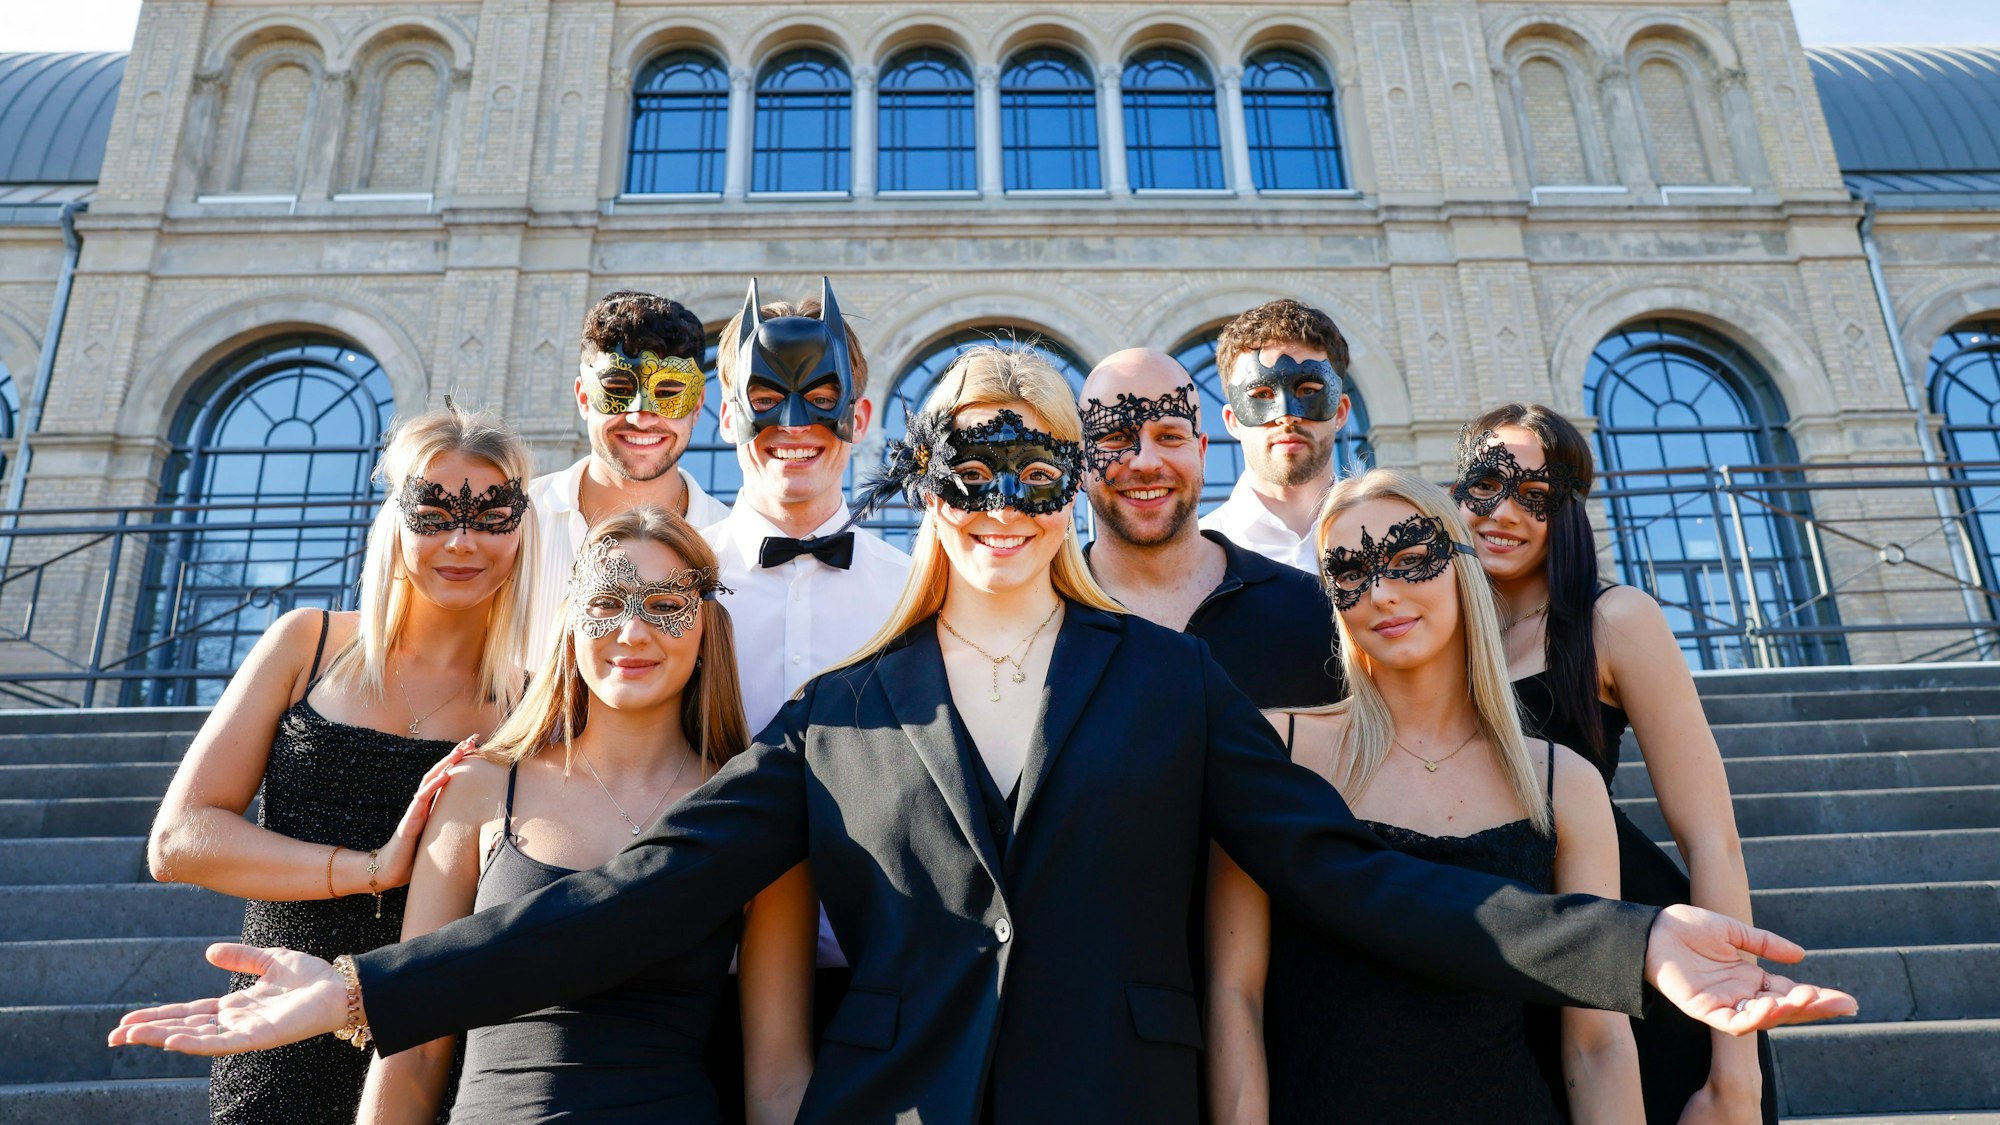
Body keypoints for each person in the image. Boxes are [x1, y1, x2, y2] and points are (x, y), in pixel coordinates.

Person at [111, 345, 1855, 1125]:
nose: (1011, 500)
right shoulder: (844, 710)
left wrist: (1631, 945)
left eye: (1041, 466)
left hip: (1123, 1097)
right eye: (975, 467)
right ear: (929, 490)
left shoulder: (1172, 682)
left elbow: (1348, 875)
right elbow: (632, 898)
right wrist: (355, 991)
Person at [1206, 468, 1643, 1124]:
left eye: (1411, 560)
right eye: (1350, 569)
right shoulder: (1279, 752)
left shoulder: (1562, 781)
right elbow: (1233, 993)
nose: (1382, 592)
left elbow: (1598, 1039)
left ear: (1462, 567)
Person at [143, 405, 538, 1124]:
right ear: (393, 517)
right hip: (279, 1021)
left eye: (491, 514)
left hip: (436, 1044)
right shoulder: (309, 644)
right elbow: (177, 841)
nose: (462, 539)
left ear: (524, 526)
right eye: (434, 511)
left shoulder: (533, 703)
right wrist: (372, 868)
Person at [357, 507, 815, 1125]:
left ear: (706, 624)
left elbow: (779, 1077)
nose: (631, 632)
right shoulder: (480, 789)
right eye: (606, 604)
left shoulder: (751, 814)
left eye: (663, 604)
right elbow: (410, 1055)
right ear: (571, 621)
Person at [1453, 404, 1775, 1124]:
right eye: (1485, 484)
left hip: (1636, 965)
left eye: (1533, 496)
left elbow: (1712, 841)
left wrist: (1735, 1072)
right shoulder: (1443, 633)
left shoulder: (1615, 619)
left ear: (1565, 511)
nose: (1502, 511)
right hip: (1508, 965)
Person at [696, 279, 912, 1117]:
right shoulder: (668, 586)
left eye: (821, 401)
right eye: (763, 401)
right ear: (725, 418)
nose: (792, 427)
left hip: (881, 983)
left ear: (859, 419)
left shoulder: (921, 593)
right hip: (694, 979)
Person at [1078, 346, 1340, 709]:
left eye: (1170, 436)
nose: (1146, 462)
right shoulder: (1044, 621)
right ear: (1080, 465)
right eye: (1116, 438)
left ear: (1201, 453)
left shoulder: (1312, 610)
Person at [526, 291, 731, 663]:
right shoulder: (515, 524)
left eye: (668, 392)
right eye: (618, 390)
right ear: (584, 398)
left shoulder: (733, 546)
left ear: (698, 406)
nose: (640, 416)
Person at [1199, 299, 1355, 572]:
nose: (1286, 415)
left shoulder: (1392, 538)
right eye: (1261, 395)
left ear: (1340, 411)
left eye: (1308, 391)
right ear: (1232, 420)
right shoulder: (1197, 555)